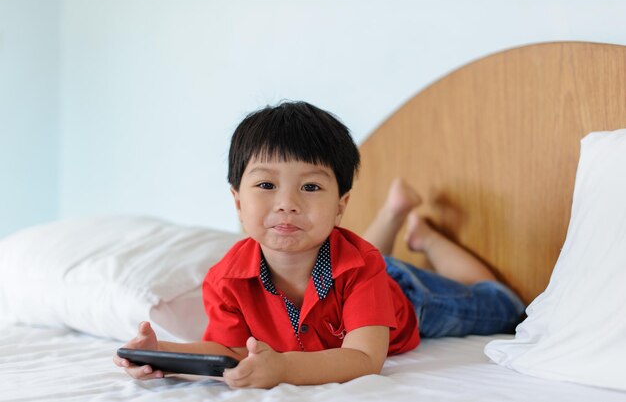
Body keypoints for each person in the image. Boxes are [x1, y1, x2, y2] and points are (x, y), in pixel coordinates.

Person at [113, 101, 524, 388]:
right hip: (354, 268)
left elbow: (365, 359)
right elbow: (228, 350)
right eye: (266, 185)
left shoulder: (363, 266)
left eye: (310, 187)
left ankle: (427, 237)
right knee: (369, 258)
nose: (287, 204)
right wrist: (160, 354)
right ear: (238, 201)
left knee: (504, 306)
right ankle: (396, 216)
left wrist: (284, 369)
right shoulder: (227, 278)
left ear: (341, 205)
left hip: (407, 298)